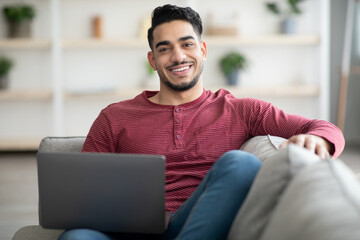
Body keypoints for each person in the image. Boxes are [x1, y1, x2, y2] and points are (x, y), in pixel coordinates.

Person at [58, 4, 345, 240]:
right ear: (152, 60)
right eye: (165, 48)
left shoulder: (242, 110)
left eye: (186, 44)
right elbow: (87, 195)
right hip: (128, 229)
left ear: (203, 50)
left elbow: (326, 128)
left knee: (241, 164)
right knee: (76, 237)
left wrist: (319, 139)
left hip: (195, 224)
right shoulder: (114, 116)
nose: (178, 56)